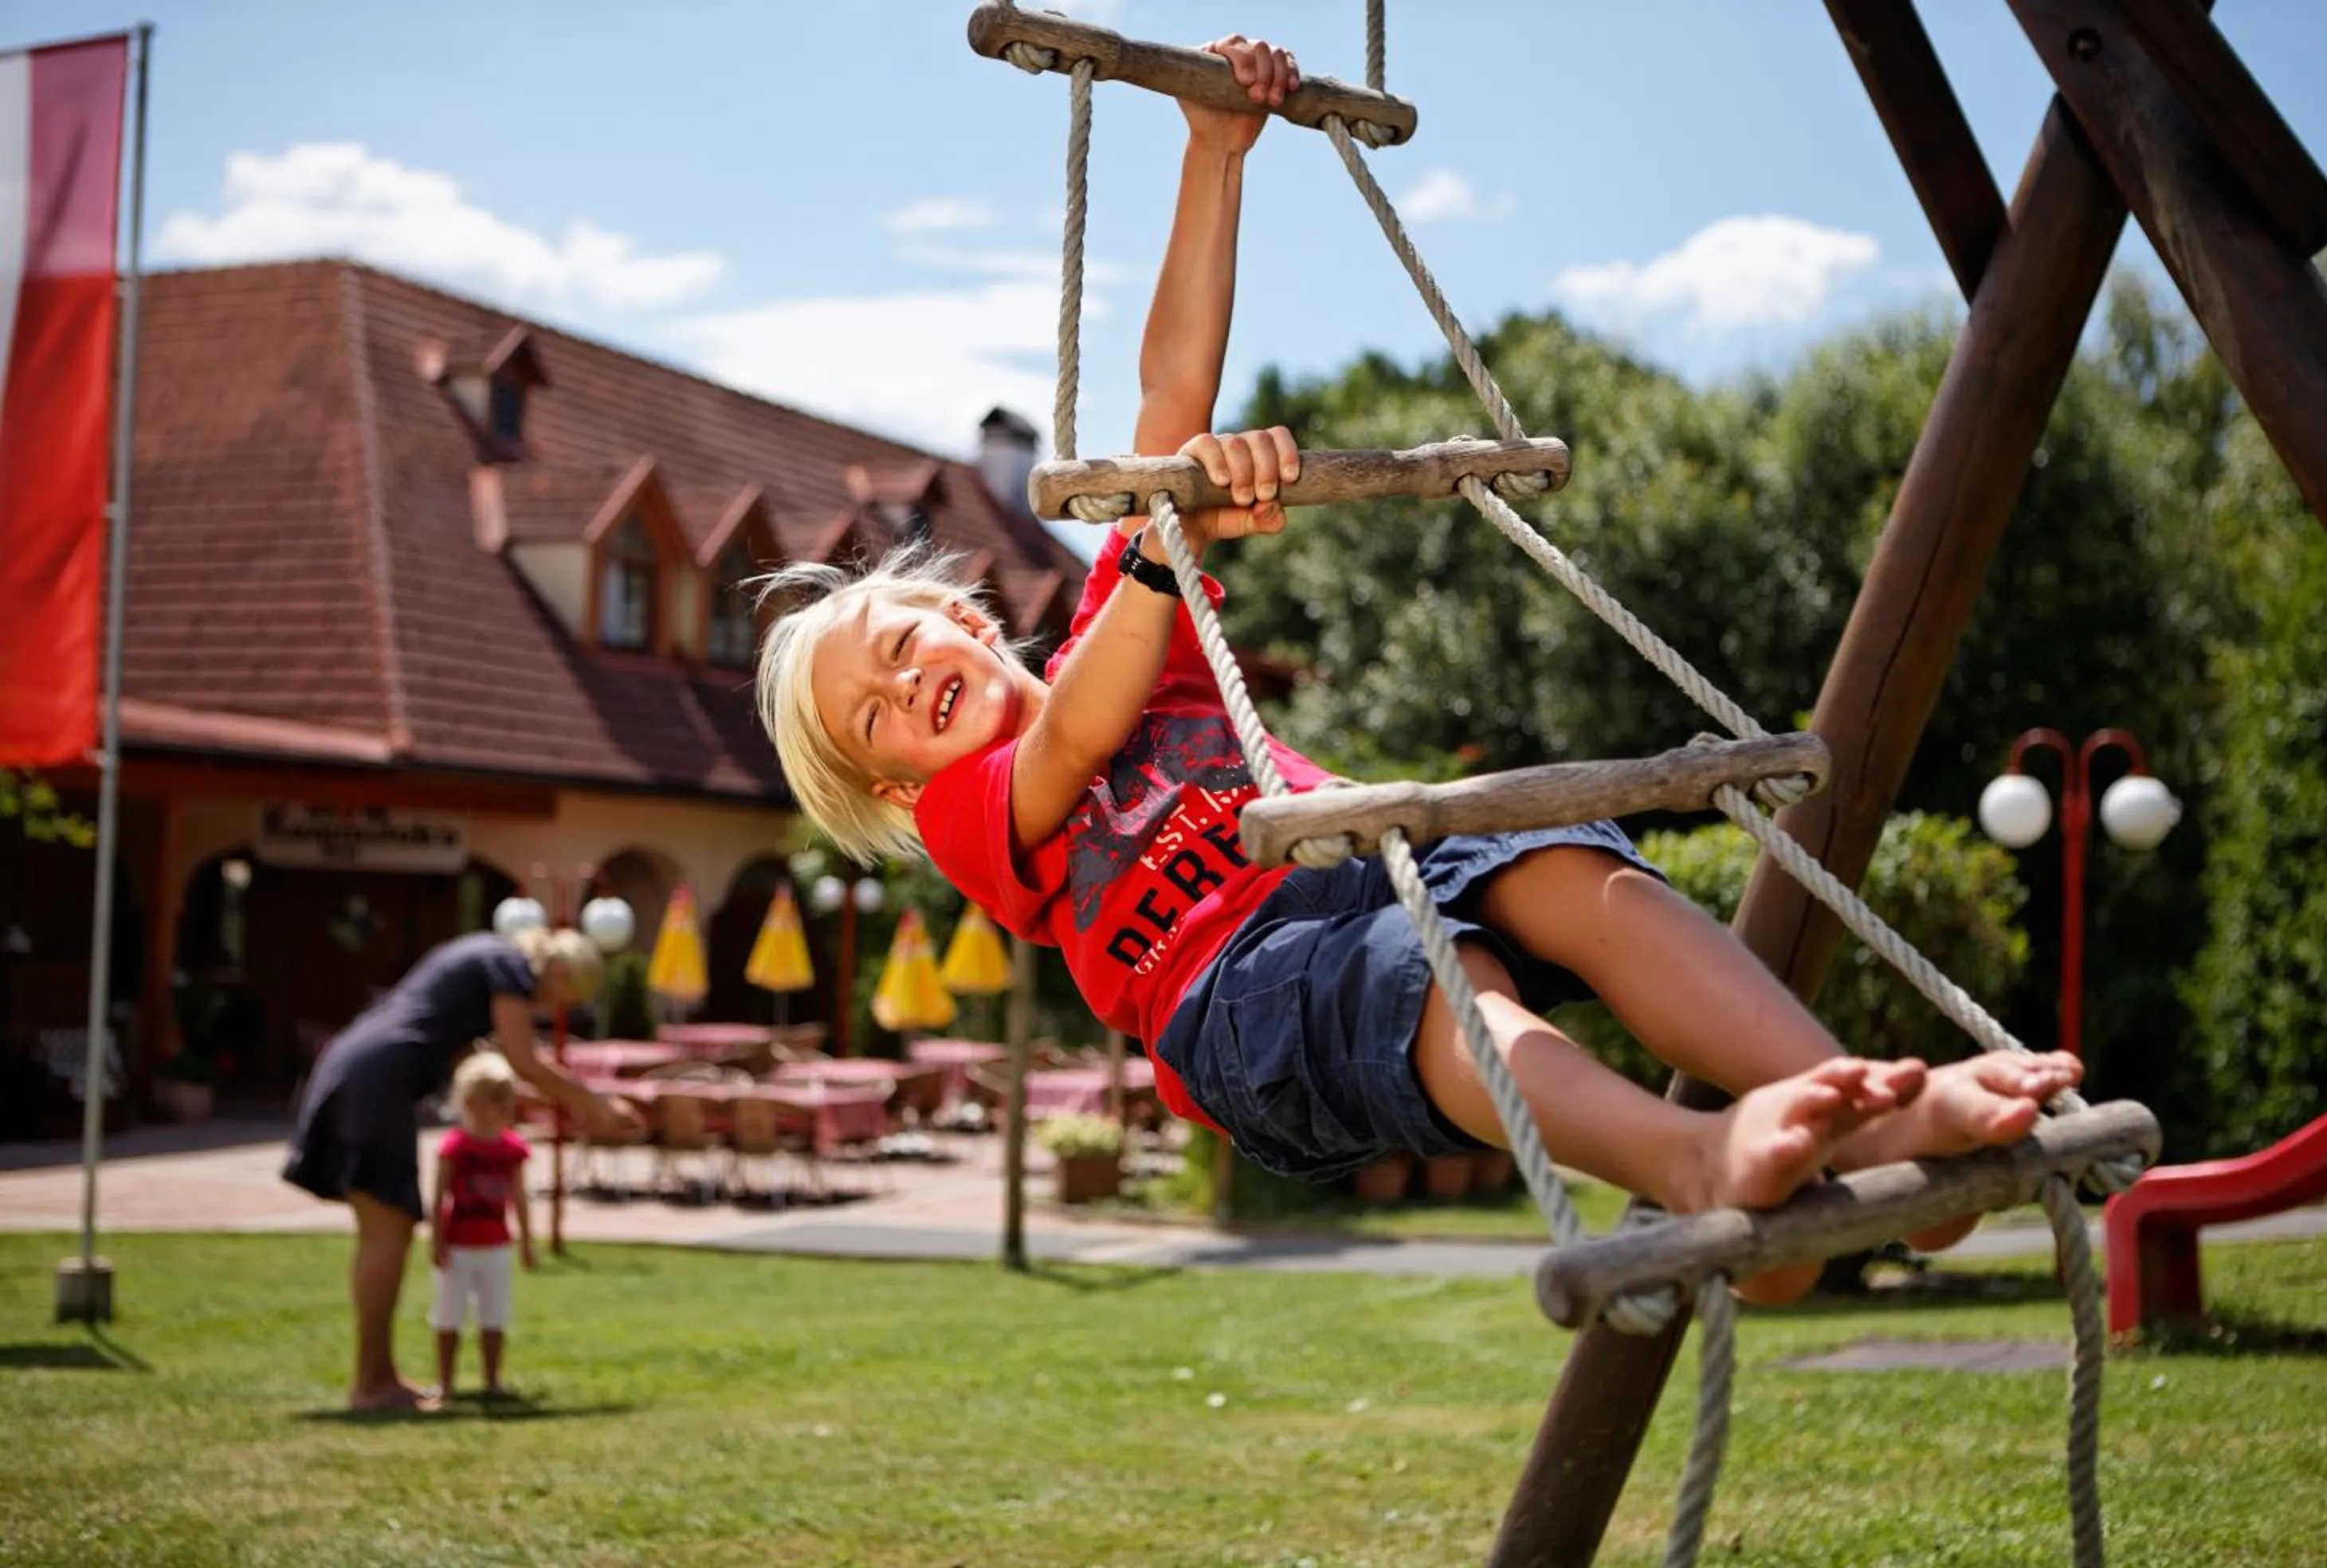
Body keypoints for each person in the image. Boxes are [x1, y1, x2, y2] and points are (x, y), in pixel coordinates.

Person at [753, 35, 2082, 1296]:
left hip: (1358, 868)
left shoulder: (1130, 617)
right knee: (1444, 978)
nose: (899, 690)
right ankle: (1690, 1159)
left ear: (965, 617)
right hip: (1238, 1000)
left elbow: (1171, 409)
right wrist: (1171, 545)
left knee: (1572, 869)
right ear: (896, 781)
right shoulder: (971, 813)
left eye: (893, 646)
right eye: (875, 722)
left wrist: (1215, 157)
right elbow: (1066, 743)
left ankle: (1869, 1113)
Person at [282, 926, 636, 1411]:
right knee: (387, 1229)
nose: (550, 1010)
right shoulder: (506, 965)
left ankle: (379, 1376)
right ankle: (370, 1385)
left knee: (390, 1227)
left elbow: (495, 1068)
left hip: (363, 1068)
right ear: (556, 970)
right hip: (378, 1077)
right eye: (561, 999)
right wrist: (594, 1106)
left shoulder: (484, 957)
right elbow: (522, 1059)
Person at [428, 1053, 536, 1403]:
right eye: (496, 1098)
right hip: (458, 1245)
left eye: (508, 1097)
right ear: (471, 1102)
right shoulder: (455, 1147)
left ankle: (492, 1380)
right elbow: (439, 1196)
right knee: (449, 1313)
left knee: (495, 1313)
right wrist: (437, 1241)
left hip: (496, 1245)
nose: (505, 1106)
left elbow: (519, 1198)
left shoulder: (513, 1149)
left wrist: (526, 1242)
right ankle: (446, 1383)